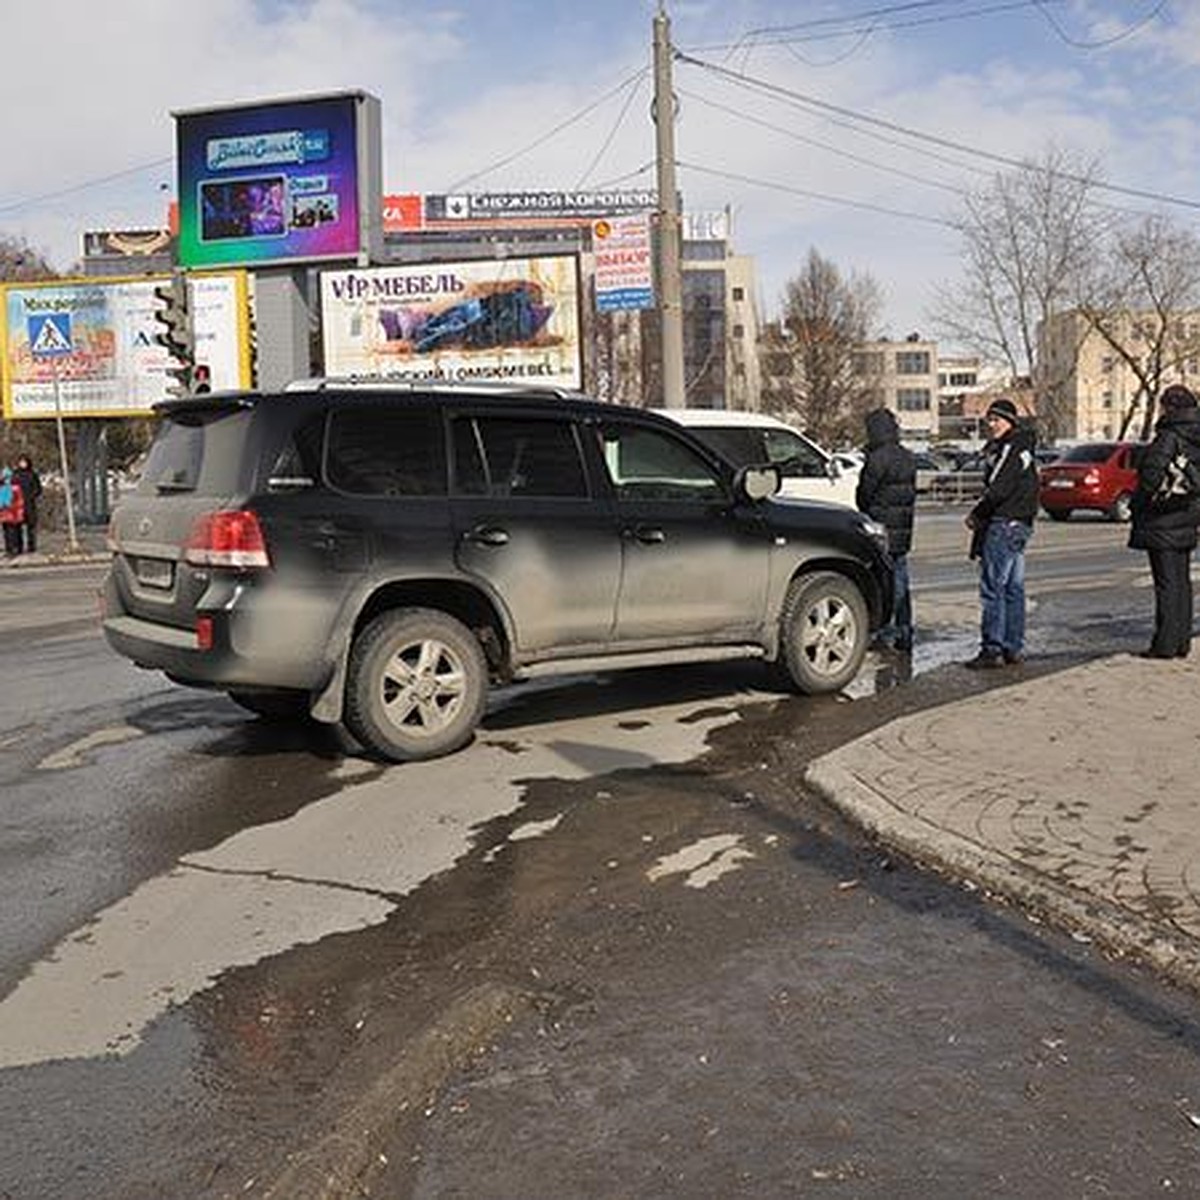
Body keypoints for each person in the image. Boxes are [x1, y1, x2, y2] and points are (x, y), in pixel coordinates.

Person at [963, 398, 1039, 668]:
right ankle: (1012, 646)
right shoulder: (1023, 447)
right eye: (989, 420)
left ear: (1010, 422)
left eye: (996, 419)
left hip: (1004, 523)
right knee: (1013, 589)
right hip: (1019, 523)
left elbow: (998, 487)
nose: (991, 425)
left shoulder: (1012, 446)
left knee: (993, 588)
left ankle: (992, 648)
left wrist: (978, 513)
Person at [1128, 384, 1200, 658]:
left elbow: (1151, 477)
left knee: (1166, 583)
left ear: (1169, 407)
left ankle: (1165, 644)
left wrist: (1138, 505)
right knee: (1182, 582)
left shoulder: (1169, 435)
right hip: (1188, 514)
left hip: (1163, 518)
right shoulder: (1195, 435)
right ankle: (1181, 641)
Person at [856, 407, 917, 651]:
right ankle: (905, 630)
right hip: (902, 528)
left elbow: (864, 494)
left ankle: (885, 631)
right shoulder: (907, 456)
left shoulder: (877, 458)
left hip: (881, 527)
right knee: (901, 579)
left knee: (884, 582)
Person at [12, 454, 42, 554]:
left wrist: (32, 495)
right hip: (17, 504)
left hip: (29, 504)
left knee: (31, 527)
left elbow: (38, 489)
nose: (22, 464)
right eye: (21, 462)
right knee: (17, 528)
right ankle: (18, 547)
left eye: (24, 462)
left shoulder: (33, 474)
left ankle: (31, 547)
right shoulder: (15, 474)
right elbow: (11, 487)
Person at [0, 466, 26, 558]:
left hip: (12, 513)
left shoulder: (15, 488)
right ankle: (8, 549)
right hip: (4, 513)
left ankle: (13, 549)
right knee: (6, 532)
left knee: (12, 532)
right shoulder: (2, 487)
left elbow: (20, 501)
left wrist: (19, 512)